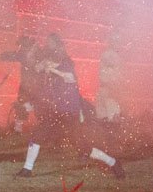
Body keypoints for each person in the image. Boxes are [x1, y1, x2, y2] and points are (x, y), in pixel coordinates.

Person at [16, 33, 125, 179]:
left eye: (51, 45)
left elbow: (70, 78)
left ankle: (113, 162)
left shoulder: (67, 63)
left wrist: (52, 69)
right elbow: (36, 69)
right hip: (55, 113)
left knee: (83, 147)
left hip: (69, 113)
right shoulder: (49, 69)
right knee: (37, 136)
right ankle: (27, 169)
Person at [95, 31, 125, 124]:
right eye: (116, 41)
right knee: (111, 120)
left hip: (109, 90)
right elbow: (110, 74)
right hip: (109, 90)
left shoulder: (113, 55)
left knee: (106, 119)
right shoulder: (109, 55)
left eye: (118, 42)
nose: (118, 44)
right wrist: (113, 88)